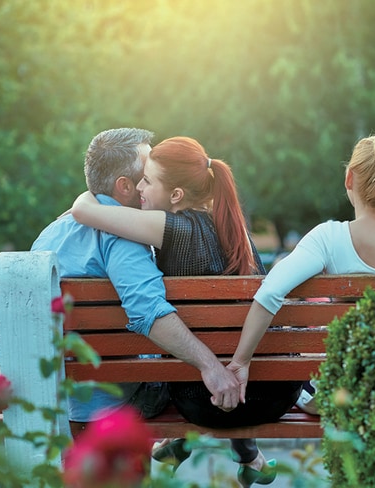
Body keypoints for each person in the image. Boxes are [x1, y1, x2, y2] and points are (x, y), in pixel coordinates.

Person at [71, 136, 298, 486]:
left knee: (174, 355)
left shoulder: (170, 227)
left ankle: (181, 442)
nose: (140, 188)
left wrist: (89, 194)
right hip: (276, 394)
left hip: (203, 402)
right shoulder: (234, 228)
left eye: (148, 181)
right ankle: (246, 455)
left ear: (176, 195)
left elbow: (83, 211)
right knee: (221, 348)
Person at [31, 128, 241, 438]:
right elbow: (149, 313)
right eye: (146, 175)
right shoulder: (122, 239)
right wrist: (210, 366)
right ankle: (227, 451)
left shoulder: (51, 232)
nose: (147, 183)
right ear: (125, 186)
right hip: (116, 400)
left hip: (59, 398)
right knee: (191, 372)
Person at [226, 122, 375, 417]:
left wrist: (240, 361)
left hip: (345, 393)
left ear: (349, 178)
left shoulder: (329, 238)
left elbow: (270, 292)